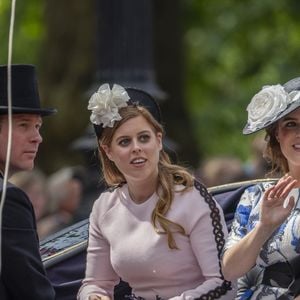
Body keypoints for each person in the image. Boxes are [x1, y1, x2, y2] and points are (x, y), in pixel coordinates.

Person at [77, 83, 235, 300]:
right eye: (124, 141)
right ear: (108, 151)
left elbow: (224, 284)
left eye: (144, 138)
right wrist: (94, 297)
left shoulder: (191, 198)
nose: (136, 147)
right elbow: (95, 284)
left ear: (158, 141)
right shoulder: (104, 208)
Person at [221, 80, 300, 299]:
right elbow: (230, 271)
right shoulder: (255, 195)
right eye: (290, 124)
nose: (298, 133)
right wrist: (264, 227)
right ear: (277, 134)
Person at [0, 64, 56, 299]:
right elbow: (33, 293)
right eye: (24, 125)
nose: (37, 138)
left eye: (38, 126)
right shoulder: (8, 199)